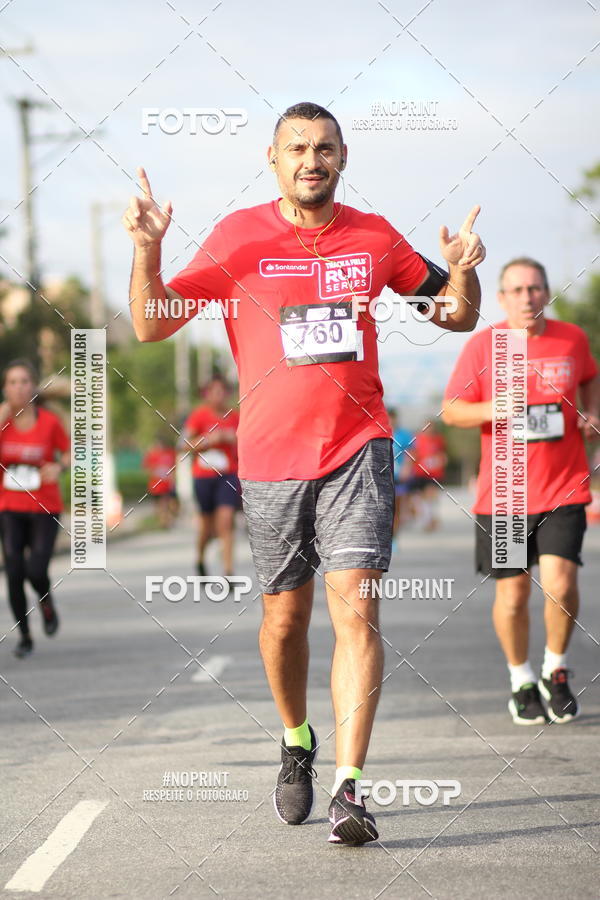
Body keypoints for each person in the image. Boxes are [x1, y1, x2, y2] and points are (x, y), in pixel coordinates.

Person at [123, 101, 485, 843]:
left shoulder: (375, 237)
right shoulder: (238, 237)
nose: (311, 160)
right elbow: (151, 322)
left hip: (358, 447)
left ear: (343, 157)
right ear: (273, 159)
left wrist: (462, 272)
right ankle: (296, 739)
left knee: (357, 611)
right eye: (297, 148)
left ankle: (350, 789)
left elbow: (455, 315)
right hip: (270, 461)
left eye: (324, 148)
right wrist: (148, 252)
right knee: (283, 621)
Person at [442, 258, 600, 725]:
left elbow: (590, 377)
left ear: (546, 293)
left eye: (534, 288)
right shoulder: (484, 345)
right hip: (506, 495)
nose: (527, 297)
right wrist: (492, 408)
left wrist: (591, 412)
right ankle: (521, 678)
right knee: (513, 597)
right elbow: (452, 410)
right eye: (517, 290)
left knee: (561, 584)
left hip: (564, 486)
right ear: (502, 298)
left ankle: (556, 669)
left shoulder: (571, 338)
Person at [0, 359, 70, 658]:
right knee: (14, 572)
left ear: (33, 387)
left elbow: (70, 452)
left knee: (36, 570)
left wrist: (59, 467)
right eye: (12, 382)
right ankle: (25, 636)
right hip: (8, 507)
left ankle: (46, 601)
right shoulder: (2, 421)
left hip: (44, 507)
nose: (19, 388)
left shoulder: (49, 422)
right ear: (5, 388)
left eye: (24, 381)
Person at [182, 376, 240, 577]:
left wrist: (232, 438)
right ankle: (199, 558)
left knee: (226, 520)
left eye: (222, 391)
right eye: (214, 391)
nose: (218, 395)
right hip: (204, 476)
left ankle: (228, 571)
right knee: (207, 527)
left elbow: (247, 442)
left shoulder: (234, 417)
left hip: (228, 475)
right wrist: (207, 441)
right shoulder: (199, 416)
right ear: (206, 394)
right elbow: (185, 445)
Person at [410, 420, 447, 531]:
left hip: (434, 473)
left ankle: (430, 520)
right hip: (420, 472)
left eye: (431, 427)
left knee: (431, 495)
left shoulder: (438, 439)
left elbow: (442, 454)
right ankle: (425, 519)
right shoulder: (417, 439)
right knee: (419, 497)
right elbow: (412, 453)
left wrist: (441, 460)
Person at [388, 409, 415, 536]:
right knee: (387, 508)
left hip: (399, 475)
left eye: (392, 418)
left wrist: (407, 468)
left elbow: (410, 453)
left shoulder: (404, 434)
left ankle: (395, 536)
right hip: (385, 475)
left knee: (397, 507)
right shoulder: (382, 432)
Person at [142, 436, 178, 528]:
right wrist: (155, 472)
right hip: (156, 485)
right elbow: (146, 469)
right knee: (159, 504)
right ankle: (163, 521)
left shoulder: (170, 453)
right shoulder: (151, 454)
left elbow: (174, 467)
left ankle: (166, 520)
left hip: (167, 484)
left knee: (167, 502)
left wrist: (172, 479)